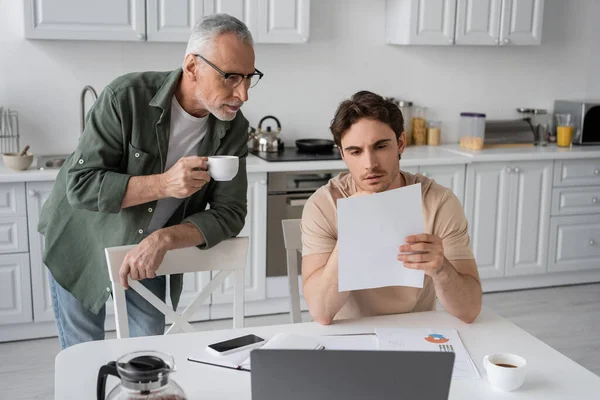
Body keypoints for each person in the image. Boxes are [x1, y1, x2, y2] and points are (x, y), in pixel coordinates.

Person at [38, 14, 263, 349]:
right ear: (192, 67)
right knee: (84, 356)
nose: (242, 94)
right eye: (230, 77)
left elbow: (230, 213)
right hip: (82, 241)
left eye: (249, 77)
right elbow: (81, 185)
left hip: (151, 250)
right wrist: (164, 185)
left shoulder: (233, 128)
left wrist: (164, 239)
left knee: (151, 354)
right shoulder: (125, 97)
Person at [301, 91, 482, 325]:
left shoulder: (439, 202)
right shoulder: (323, 204)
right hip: (348, 333)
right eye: (355, 151)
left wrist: (442, 270)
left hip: (418, 330)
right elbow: (321, 313)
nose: (370, 164)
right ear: (342, 154)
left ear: (401, 144)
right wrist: (351, 233)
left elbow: (469, 311)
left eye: (381, 146)